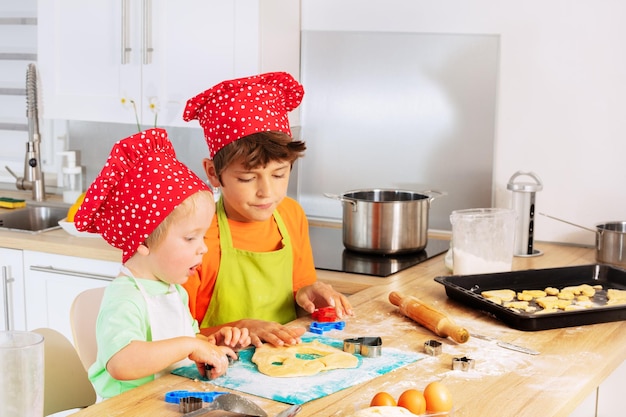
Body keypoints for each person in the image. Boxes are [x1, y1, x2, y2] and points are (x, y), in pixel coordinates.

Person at [74, 128, 250, 398]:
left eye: (202, 236)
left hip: (163, 403)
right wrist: (188, 346)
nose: (203, 247)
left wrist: (210, 347)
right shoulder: (125, 297)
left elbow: (186, 347)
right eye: (190, 238)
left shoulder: (172, 290)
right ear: (143, 242)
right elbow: (121, 363)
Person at [182, 72, 353, 347]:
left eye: (279, 174)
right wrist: (240, 328)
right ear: (213, 174)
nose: (267, 192)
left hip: (284, 363)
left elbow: (297, 295)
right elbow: (175, 338)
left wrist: (308, 295)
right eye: (248, 178)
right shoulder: (196, 237)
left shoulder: (291, 214)